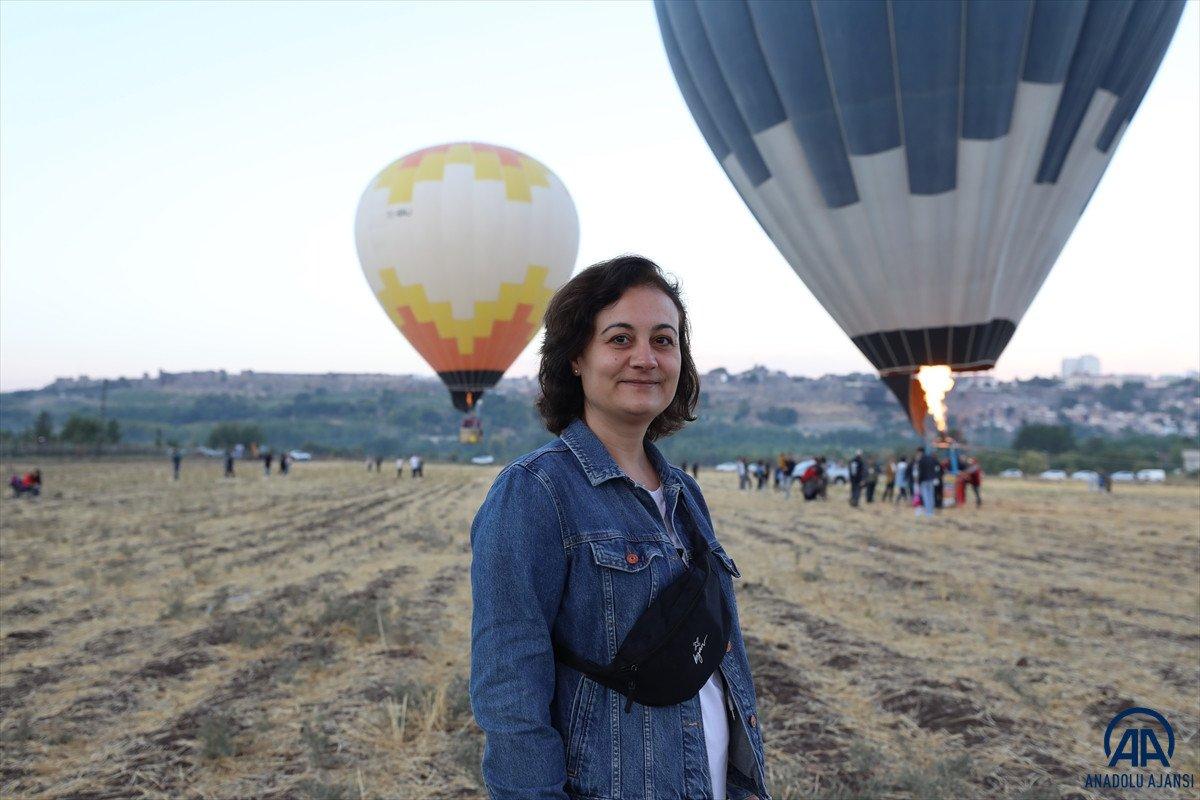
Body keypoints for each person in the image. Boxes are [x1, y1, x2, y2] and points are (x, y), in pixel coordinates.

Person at [469, 256, 769, 800]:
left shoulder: (684, 493)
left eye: (663, 340)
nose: (645, 359)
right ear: (576, 358)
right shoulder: (535, 492)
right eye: (620, 339)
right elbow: (510, 690)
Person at [915, 447, 937, 517]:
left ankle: (928, 512)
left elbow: (920, 472)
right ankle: (931, 511)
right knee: (931, 496)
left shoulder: (921, 460)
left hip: (924, 480)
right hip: (931, 479)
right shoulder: (931, 458)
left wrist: (919, 481)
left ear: (920, 452)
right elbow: (934, 468)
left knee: (926, 496)